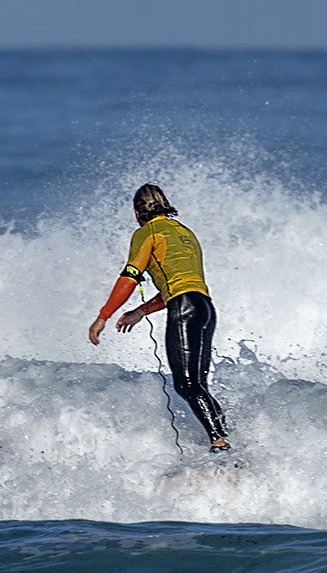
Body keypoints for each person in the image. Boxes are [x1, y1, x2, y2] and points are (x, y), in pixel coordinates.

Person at [88, 184, 231, 453]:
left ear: (136, 212)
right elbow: (181, 285)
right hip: (205, 309)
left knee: (186, 384)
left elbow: (130, 275)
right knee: (198, 384)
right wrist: (141, 311)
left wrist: (103, 316)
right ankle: (226, 435)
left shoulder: (146, 233)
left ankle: (219, 441)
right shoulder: (185, 232)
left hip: (184, 309)